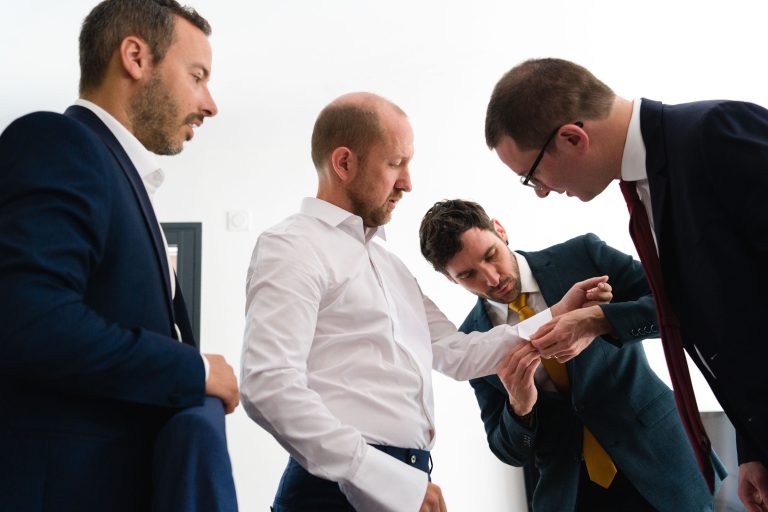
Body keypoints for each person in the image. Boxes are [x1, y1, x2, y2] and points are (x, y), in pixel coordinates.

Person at [239, 92, 609, 512]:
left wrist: (558, 313)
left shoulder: (388, 263)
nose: (408, 183)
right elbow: (268, 384)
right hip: (335, 491)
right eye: (396, 163)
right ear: (344, 163)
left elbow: (457, 353)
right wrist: (383, 478)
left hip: (406, 478)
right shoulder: (292, 247)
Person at [483, 57, 768, 511]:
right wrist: (755, 448)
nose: (541, 191)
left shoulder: (714, 132)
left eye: (532, 176)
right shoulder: (642, 187)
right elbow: (723, 316)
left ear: (572, 138)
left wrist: (598, 319)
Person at [0, 1, 239, 510]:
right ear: (135, 57)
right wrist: (194, 370)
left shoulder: (116, 172)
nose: (210, 103)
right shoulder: (58, 143)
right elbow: (30, 324)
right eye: (197, 76)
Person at [418, 199, 725, 511]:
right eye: (468, 274)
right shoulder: (472, 342)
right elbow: (509, 452)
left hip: (660, 463)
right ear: (449, 279)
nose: (492, 279)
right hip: (570, 495)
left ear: (500, 230)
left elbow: (678, 308)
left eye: (490, 255)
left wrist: (603, 319)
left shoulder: (582, 256)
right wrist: (519, 408)